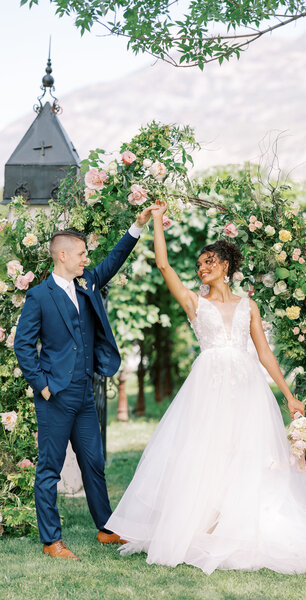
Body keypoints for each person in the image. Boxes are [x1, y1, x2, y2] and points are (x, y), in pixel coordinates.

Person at [106, 201, 306, 574]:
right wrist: (155, 221)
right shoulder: (194, 302)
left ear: (226, 267)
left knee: (244, 451)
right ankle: (204, 523)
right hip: (208, 387)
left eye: (210, 261)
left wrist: (289, 394)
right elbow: (164, 265)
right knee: (206, 450)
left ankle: (239, 523)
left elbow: (264, 353)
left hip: (248, 389)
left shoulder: (249, 306)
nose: (203, 267)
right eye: (200, 264)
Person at [14, 207, 154, 561]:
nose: (86, 259)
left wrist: (137, 226)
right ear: (63, 255)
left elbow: (114, 260)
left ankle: (106, 527)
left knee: (94, 461)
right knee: (49, 469)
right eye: (81, 253)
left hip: (85, 395)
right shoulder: (39, 296)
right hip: (55, 397)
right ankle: (51, 541)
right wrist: (42, 386)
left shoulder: (88, 282)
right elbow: (23, 345)